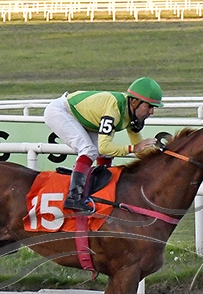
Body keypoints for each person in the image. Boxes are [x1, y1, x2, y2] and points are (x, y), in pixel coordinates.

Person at [43, 77, 163, 212]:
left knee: (104, 153)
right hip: (60, 112)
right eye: (149, 106)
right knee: (89, 150)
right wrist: (132, 148)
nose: (152, 112)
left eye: (153, 107)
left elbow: (139, 149)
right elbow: (105, 146)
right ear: (134, 102)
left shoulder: (132, 113)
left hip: (79, 116)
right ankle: (73, 197)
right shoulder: (114, 109)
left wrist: (158, 159)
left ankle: (102, 191)